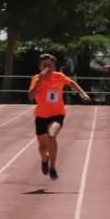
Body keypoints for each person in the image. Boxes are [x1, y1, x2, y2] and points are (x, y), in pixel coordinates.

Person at [28, 54, 91, 182]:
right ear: (40, 66)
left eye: (49, 65)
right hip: (41, 115)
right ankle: (44, 159)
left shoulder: (59, 76)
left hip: (57, 114)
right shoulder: (36, 78)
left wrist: (82, 93)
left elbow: (72, 83)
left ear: (54, 66)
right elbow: (30, 96)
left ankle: (53, 167)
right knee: (42, 147)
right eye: (44, 65)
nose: (47, 68)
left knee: (51, 136)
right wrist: (40, 79)